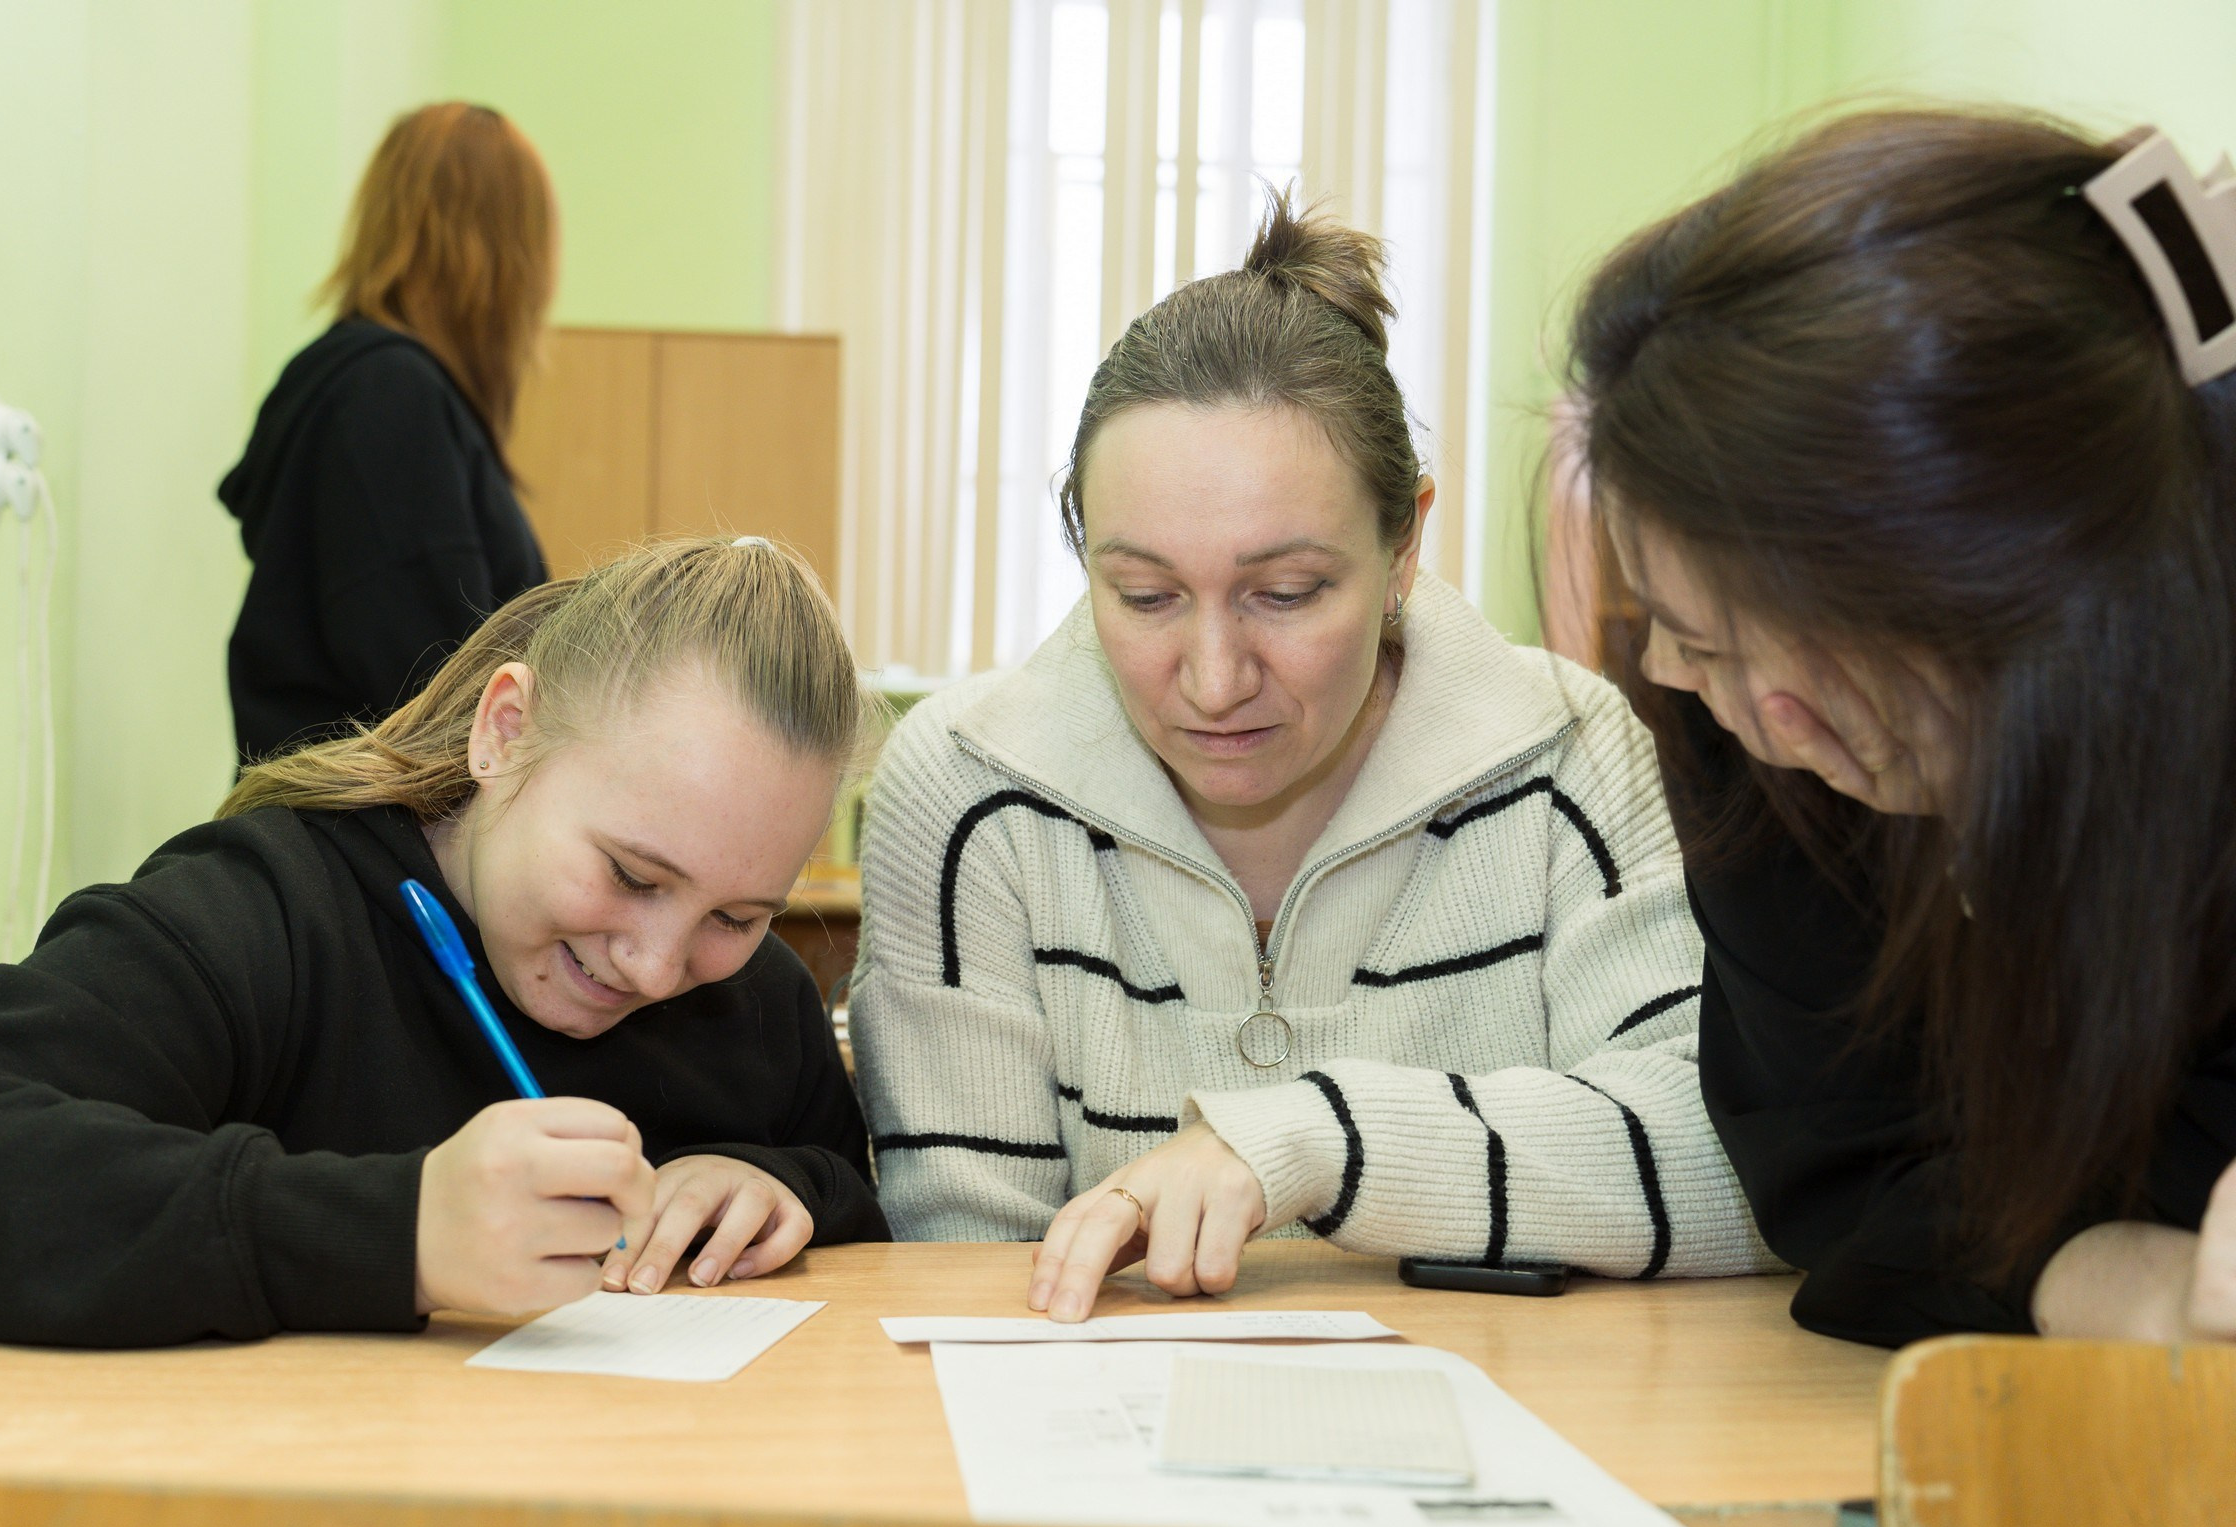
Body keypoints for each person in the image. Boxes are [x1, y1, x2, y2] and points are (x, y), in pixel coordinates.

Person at [851, 196, 1773, 1323]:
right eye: (1141, 596)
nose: (1213, 677)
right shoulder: (965, 789)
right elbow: (957, 1271)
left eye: (1285, 595)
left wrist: (1312, 1137)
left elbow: (1734, 1172)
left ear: (1404, 546)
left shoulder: (1568, 755)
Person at [0, 541, 888, 1349]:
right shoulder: (264, 914)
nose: (653, 965)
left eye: (737, 918)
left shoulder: (759, 1005)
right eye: (632, 876)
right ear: (505, 733)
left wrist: (770, 1183)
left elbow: (854, 1202)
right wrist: (394, 1232)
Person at [1567, 108, 2236, 1348]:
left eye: (1774, 642)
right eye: (1684, 634)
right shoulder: (1728, 714)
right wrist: (2135, 1286)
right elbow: (1843, 1166)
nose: (1737, 708)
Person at [220, 102, 555, 763]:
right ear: (504, 259)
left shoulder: (379, 395)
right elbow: (442, 697)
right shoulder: (391, 402)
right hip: (359, 846)